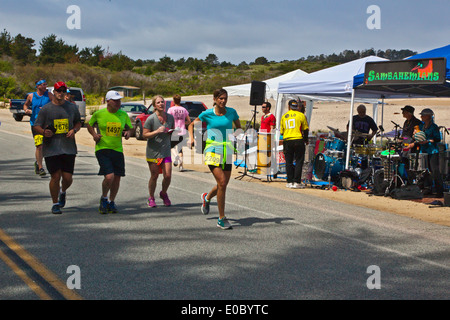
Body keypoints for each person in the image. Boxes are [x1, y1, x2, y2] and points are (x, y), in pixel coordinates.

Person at [188, 88, 241, 230]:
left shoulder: (232, 112)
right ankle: (222, 218)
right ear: (215, 99)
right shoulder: (207, 114)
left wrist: (237, 135)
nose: (223, 101)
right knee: (222, 182)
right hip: (212, 150)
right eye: (220, 98)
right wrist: (192, 138)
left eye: (225, 98)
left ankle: (206, 197)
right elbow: (191, 125)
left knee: (222, 185)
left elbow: (239, 128)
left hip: (227, 150)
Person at [33, 81, 81, 214]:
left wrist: (74, 131)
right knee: (55, 176)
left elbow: (78, 122)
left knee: (67, 178)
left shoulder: (71, 108)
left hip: (68, 148)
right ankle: (55, 204)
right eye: (58, 91)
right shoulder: (46, 109)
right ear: (53, 92)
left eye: (63, 91)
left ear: (66, 92)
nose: (60, 93)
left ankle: (63, 191)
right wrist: (43, 132)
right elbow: (36, 125)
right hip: (51, 148)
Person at [86, 90, 132, 214]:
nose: (118, 103)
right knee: (109, 176)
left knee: (117, 178)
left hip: (117, 149)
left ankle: (112, 201)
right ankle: (104, 198)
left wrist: (128, 133)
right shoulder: (99, 114)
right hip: (102, 148)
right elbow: (89, 125)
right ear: (108, 101)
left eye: (119, 101)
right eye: (115, 101)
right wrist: (94, 135)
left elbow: (130, 128)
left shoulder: (123, 115)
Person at [142, 95, 175, 208]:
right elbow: (145, 134)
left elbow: (172, 131)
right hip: (153, 151)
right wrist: (157, 131)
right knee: (154, 176)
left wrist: (171, 132)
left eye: (162, 102)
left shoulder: (170, 118)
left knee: (168, 175)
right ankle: (151, 197)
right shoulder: (151, 119)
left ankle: (163, 193)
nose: (161, 104)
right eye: (158, 102)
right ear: (155, 106)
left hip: (165, 151)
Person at [406, 108, 444, 198]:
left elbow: (438, 139)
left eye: (423, 115)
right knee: (424, 171)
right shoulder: (421, 126)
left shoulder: (434, 127)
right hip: (424, 151)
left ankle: (439, 191)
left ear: (428, 116)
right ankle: (428, 188)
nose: (421, 117)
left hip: (432, 151)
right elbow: (418, 137)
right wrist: (415, 136)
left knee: (434, 171)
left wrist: (427, 141)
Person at [23, 79, 54, 176]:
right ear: (38, 86)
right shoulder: (31, 96)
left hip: (48, 124)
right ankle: (41, 167)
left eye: (46, 84)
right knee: (39, 145)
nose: (45, 86)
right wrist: (26, 110)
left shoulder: (49, 95)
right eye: (43, 85)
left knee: (47, 146)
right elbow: (25, 105)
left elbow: (56, 105)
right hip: (36, 124)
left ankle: (37, 162)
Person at [280, 100, 309, 189]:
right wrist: (306, 139)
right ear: (297, 106)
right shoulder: (301, 115)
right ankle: (296, 181)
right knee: (299, 161)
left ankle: (289, 181)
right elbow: (305, 129)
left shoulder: (284, 116)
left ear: (289, 107)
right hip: (298, 139)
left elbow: (282, 132)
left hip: (287, 140)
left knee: (288, 161)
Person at [167, 94, 191, 171]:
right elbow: (189, 121)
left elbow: (168, 120)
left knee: (171, 146)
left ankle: (176, 156)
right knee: (180, 148)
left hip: (174, 131)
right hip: (183, 131)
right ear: (180, 100)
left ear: (173, 101)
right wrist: (184, 123)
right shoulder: (184, 110)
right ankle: (181, 166)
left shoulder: (171, 109)